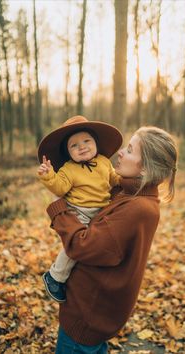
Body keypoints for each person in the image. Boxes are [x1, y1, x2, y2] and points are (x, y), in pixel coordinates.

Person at [46, 125, 177, 354]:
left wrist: (59, 206)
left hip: (87, 315)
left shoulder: (137, 209)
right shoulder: (131, 195)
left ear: (146, 167)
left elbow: (81, 245)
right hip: (95, 312)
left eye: (129, 150)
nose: (120, 153)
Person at [37, 115, 123, 303]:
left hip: (102, 209)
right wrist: (49, 175)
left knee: (101, 239)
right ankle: (55, 276)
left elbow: (113, 179)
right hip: (80, 210)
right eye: (74, 145)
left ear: (96, 143)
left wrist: (124, 180)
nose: (81, 146)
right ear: (68, 153)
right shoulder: (68, 169)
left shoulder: (103, 161)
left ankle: (95, 274)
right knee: (77, 245)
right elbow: (59, 187)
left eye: (86, 141)